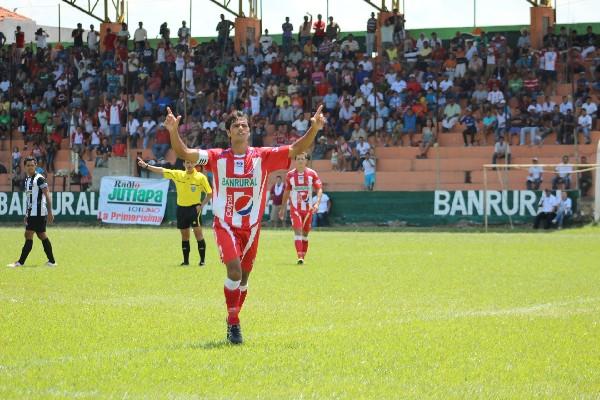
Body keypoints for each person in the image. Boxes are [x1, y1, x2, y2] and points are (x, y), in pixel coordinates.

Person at [165, 105, 326, 344]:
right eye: (236, 126)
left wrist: (314, 128)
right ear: (228, 132)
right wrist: (173, 130)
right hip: (226, 225)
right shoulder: (216, 157)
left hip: (252, 228)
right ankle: (233, 323)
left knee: (244, 280)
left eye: (244, 125)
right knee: (234, 271)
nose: (241, 128)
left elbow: (296, 148)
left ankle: (233, 317)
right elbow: (185, 153)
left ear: (249, 131)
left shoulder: (262, 156)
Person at [138, 158, 212, 265]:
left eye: (191, 162)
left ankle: (202, 261)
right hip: (181, 209)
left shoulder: (201, 177)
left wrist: (201, 205)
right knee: (184, 236)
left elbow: (209, 193)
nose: (189, 164)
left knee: (198, 234)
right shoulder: (178, 174)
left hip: (194, 209)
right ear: (184, 164)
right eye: (187, 162)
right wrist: (146, 166)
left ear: (195, 164)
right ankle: (186, 262)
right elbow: (162, 170)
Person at [7, 157, 56, 268]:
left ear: (36, 166)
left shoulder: (39, 178)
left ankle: (20, 262)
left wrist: (50, 212)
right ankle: (52, 261)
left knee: (28, 234)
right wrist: (27, 213)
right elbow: (30, 199)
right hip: (32, 212)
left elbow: (47, 194)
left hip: (38, 212)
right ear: (25, 167)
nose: (30, 167)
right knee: (41, 235)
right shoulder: (27, 180)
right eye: (28, 165)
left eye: (32, 165)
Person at [279, 152, 323, 264]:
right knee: (298, 232)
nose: (300, 161)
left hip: (308, 210)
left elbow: (319, 189)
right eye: (298, 158)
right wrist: (282, 208)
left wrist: (317, 203)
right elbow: (287, 191)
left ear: (306, 160)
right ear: (295, 160)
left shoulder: (312, 174)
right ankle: (299, 256)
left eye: (302, 158)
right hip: (295, 209)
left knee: (305, 234)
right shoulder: (290, 175)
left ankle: (303, 255)